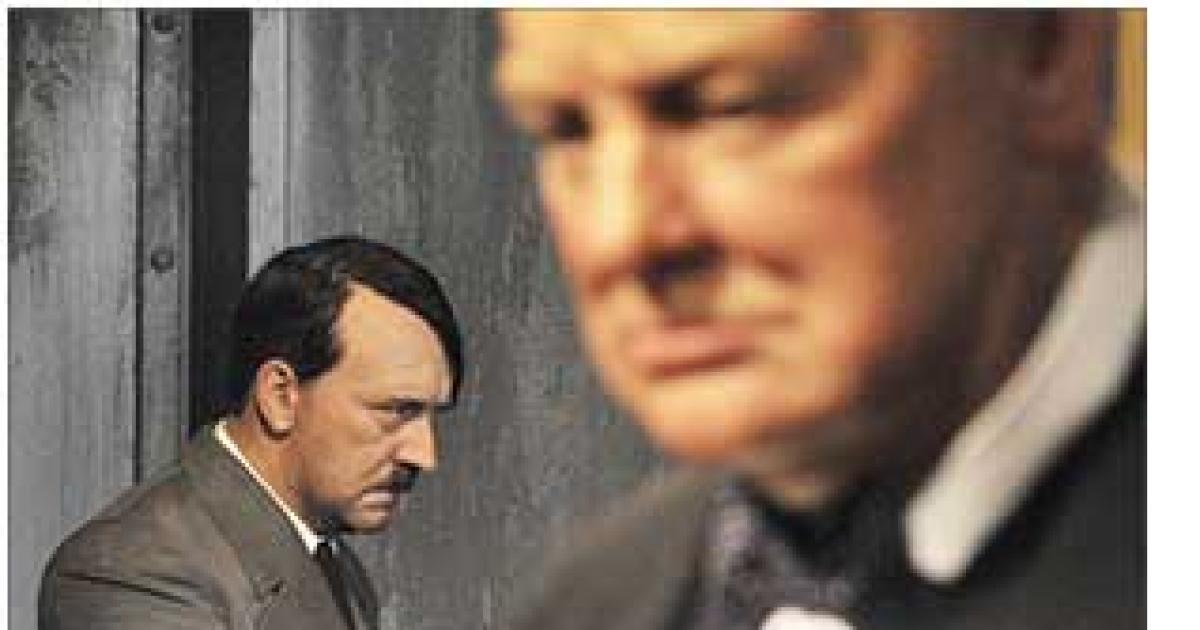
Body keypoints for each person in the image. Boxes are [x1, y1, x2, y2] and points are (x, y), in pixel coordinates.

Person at [495, 10, 1143, 630]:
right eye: (566, 130)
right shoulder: (590, 605)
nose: (618, 236)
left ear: (1044, 50)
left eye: (729, 107)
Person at [39, 236, 464, 630]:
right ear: (280, 396)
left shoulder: (332, 565)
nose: (425, 455)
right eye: (396, 411)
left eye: (431, 415)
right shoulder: (130, 571)